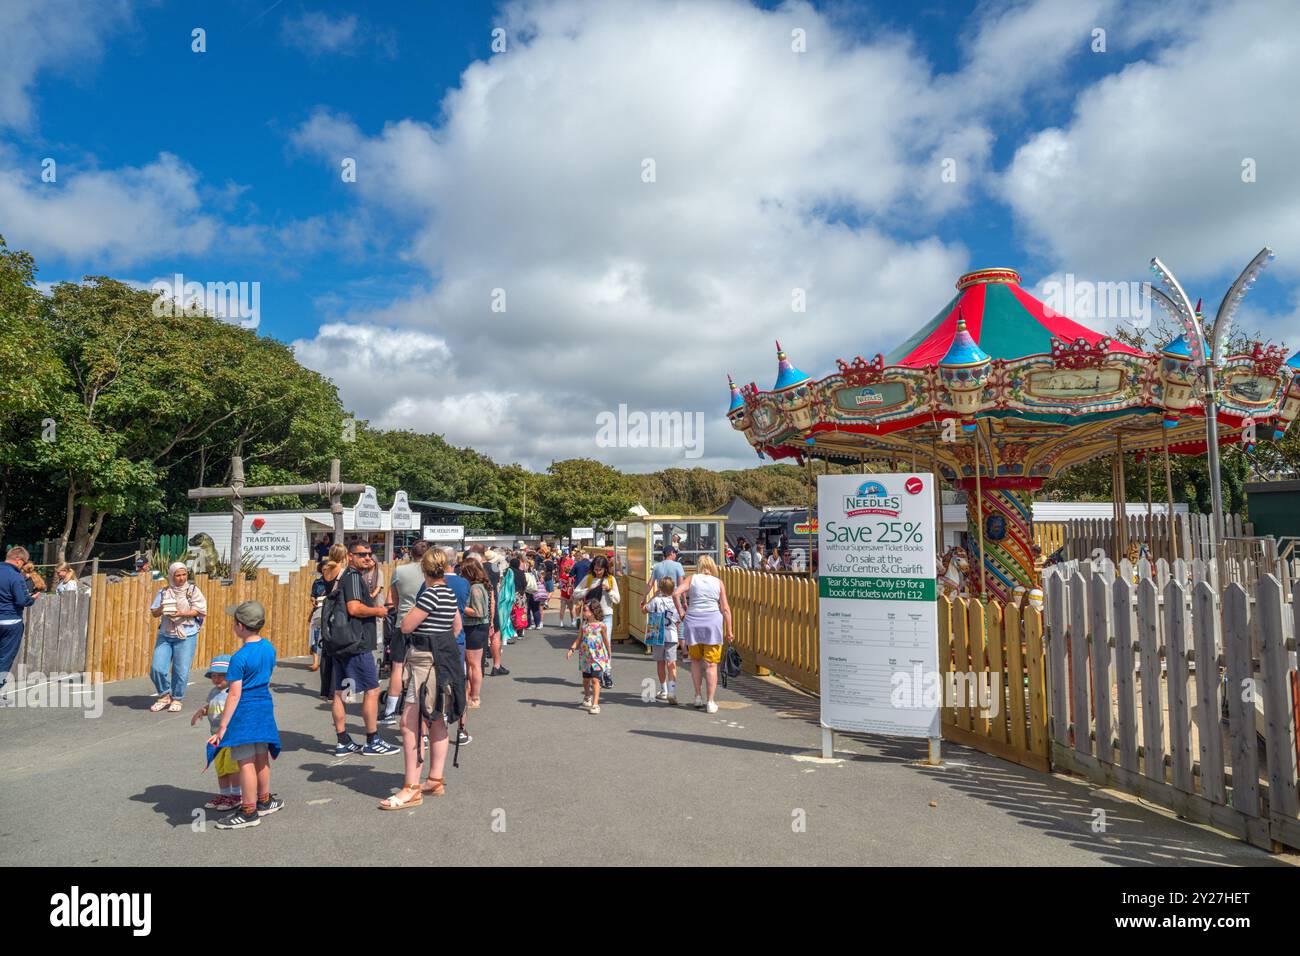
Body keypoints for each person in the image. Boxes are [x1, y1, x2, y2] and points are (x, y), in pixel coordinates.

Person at [382, 548, 466, 809]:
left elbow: (406, 625)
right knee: (437, 718)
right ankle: (435, 778)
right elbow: (457, 626)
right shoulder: (449, 593)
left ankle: (411, 787)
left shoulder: (429, 594)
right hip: (443, 659)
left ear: (424, 569)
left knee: (410, 722)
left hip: (423, 661)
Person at [208, 601, 284, 830]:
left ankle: (249, 811)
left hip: (245, 713)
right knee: (262, 757)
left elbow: (234, 694)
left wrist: (223, 726)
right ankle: (264, 799)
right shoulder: (269, 647)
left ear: (240, 626)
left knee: (245, 763)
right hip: (264, 708)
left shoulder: (239, 658)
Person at [329, 543, 399, 757]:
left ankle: (342, 741)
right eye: (362, 555)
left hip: (340, 643)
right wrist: (378, 611)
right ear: (350, 557)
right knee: (372, 689)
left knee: (340, 692)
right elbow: (354, 608)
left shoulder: (340, 575)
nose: (368, 558)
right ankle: (372, 739)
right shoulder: (352, 577)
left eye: (370, 554)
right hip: (356, 643)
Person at [674, 555, 734, 714]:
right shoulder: (718, 582)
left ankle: (698, 696)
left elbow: (675, 593)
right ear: (713, 566)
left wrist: (681, 611)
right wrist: (729, 630)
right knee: (711, 664)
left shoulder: (692, 579)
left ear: (699, 566)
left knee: (695, 660)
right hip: (712, 624)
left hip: (693, 623)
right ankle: (710, 701)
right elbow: (725, 609)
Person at [148, 562, 207, 714]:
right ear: (171, 576)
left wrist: (181, 613)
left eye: (183, 575)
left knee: (181, 670)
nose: (181, 578)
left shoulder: (193, 590)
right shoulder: (164, 591)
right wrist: (162, 607)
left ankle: (177, 698)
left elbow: (200, 611)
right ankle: (164, 695)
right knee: (157, 668)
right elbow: (154, 613)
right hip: (166, 634)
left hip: (187, 634)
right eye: (177, 575)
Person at [383, 540, 430, 727]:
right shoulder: (431, 574)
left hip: (402, 622)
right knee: (423, 669)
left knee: (397, 667)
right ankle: (420, 710)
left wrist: (401, 608)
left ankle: (389, 710)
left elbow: (393, 598)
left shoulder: (399, 571)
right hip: (424, 625)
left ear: (411, 553)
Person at [192, 655, 240, 812]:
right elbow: (210, 705)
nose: (217, 679)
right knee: (221, 768)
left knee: (232, 768)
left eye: (221, 675)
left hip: (231, 737)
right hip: (215, 737)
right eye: (214, 675)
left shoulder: (233, 692)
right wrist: (202, 711)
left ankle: (236, 796)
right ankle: (225, 795)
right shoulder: (213, 692)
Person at [441, 547, 472, 747]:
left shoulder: (429, 584)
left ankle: (427, 730)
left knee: (433, 685)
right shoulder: (462, 584)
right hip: (457, 639)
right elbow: (464, 606)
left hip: (435, 638)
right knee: (460, 683)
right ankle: (461, 728)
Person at [0, 547, 36, 702]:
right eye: (24, 562)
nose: (24, 566)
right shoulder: (16, 576)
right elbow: (22, 600)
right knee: (4, 658)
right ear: (18, 560)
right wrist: (32, 598)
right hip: (10, 621)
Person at [572, 554, 620, 670]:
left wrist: (609, 590)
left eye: (600, 570)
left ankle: (607, 671)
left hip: (606, 615)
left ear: (605, 569)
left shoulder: (610, 579)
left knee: (605, 642)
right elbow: (575, 594)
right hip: (590, 617)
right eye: (596, 569)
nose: (598, 572)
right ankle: (593, 670)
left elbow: (617, 599)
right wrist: (588, 589)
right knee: (590, 643)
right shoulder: (588, 578)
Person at [642, 576, 683, 704]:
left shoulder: (657, 601)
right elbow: (678, 619)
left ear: (659, 588)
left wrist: (648, 600)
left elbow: (644, 610)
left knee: (660, 662)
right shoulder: (675, 602)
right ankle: (672, 691)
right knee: (672, 664)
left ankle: (663, 689)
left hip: (658, 634)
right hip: (671, 634)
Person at [566, 599, 610, 714]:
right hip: (585, 657)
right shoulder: (584, 625)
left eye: (585, 610)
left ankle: (595, 705)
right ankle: (587, 696)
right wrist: (572, 649)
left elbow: (606, 641)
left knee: (595, 679)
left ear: (593, 611)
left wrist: (609, 654)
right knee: (586, 680)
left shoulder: (601, 626)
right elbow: (579, 639)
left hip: (597, 657)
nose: (583, 612)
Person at [460, 557, 492, 710]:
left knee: (473, 665)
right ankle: (471, 694)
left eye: (463, 572)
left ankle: (475, 696)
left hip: (475, 627)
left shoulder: (476, 588)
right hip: (478, 627)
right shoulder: (480, 586)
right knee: (472, 664)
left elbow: (478, 612)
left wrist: (460, 607)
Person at [308, 568, 328, 672]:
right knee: (315, 635)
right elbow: (312, 596)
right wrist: (313, 600)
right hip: (318, 611)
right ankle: (315, 662)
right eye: (324, 569)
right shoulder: (317, 582)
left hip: (330, 612)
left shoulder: (335, 582)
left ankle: (327, 661)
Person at [567, 549, 592, 628]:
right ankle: (585, 620)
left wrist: (570, 585)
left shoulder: (577, 564)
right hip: (588, 587)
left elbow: (570, 575)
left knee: (578, 604)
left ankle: (577, 617)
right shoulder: (591, 565)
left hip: (578, 586)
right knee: (587, 604)